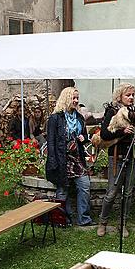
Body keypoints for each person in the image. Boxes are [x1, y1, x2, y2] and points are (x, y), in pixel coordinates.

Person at [95, 83, 135, 238]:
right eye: (128, 95)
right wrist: (122, 131)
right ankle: (103, 222)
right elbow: (104, 134)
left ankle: (123, 224)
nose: (131, 97)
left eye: (133, 95)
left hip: (131, 156)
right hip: (116, 156)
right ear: (120, 96)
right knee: (112, 192)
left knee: (128, 193)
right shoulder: (112, 111)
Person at [45, 87, 93, 227]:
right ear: (66, 99)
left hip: (77, 159)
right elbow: (51, 142)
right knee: (62, 191)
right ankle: (63, 219)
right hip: (62, 160)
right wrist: (53, 163)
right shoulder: (55, 118)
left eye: (77, 98)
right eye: (74, 98)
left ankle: (83, 218)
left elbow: (85, 137)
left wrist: (83, 138)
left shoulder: (79, 117)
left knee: (84, 186)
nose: (76, 101)